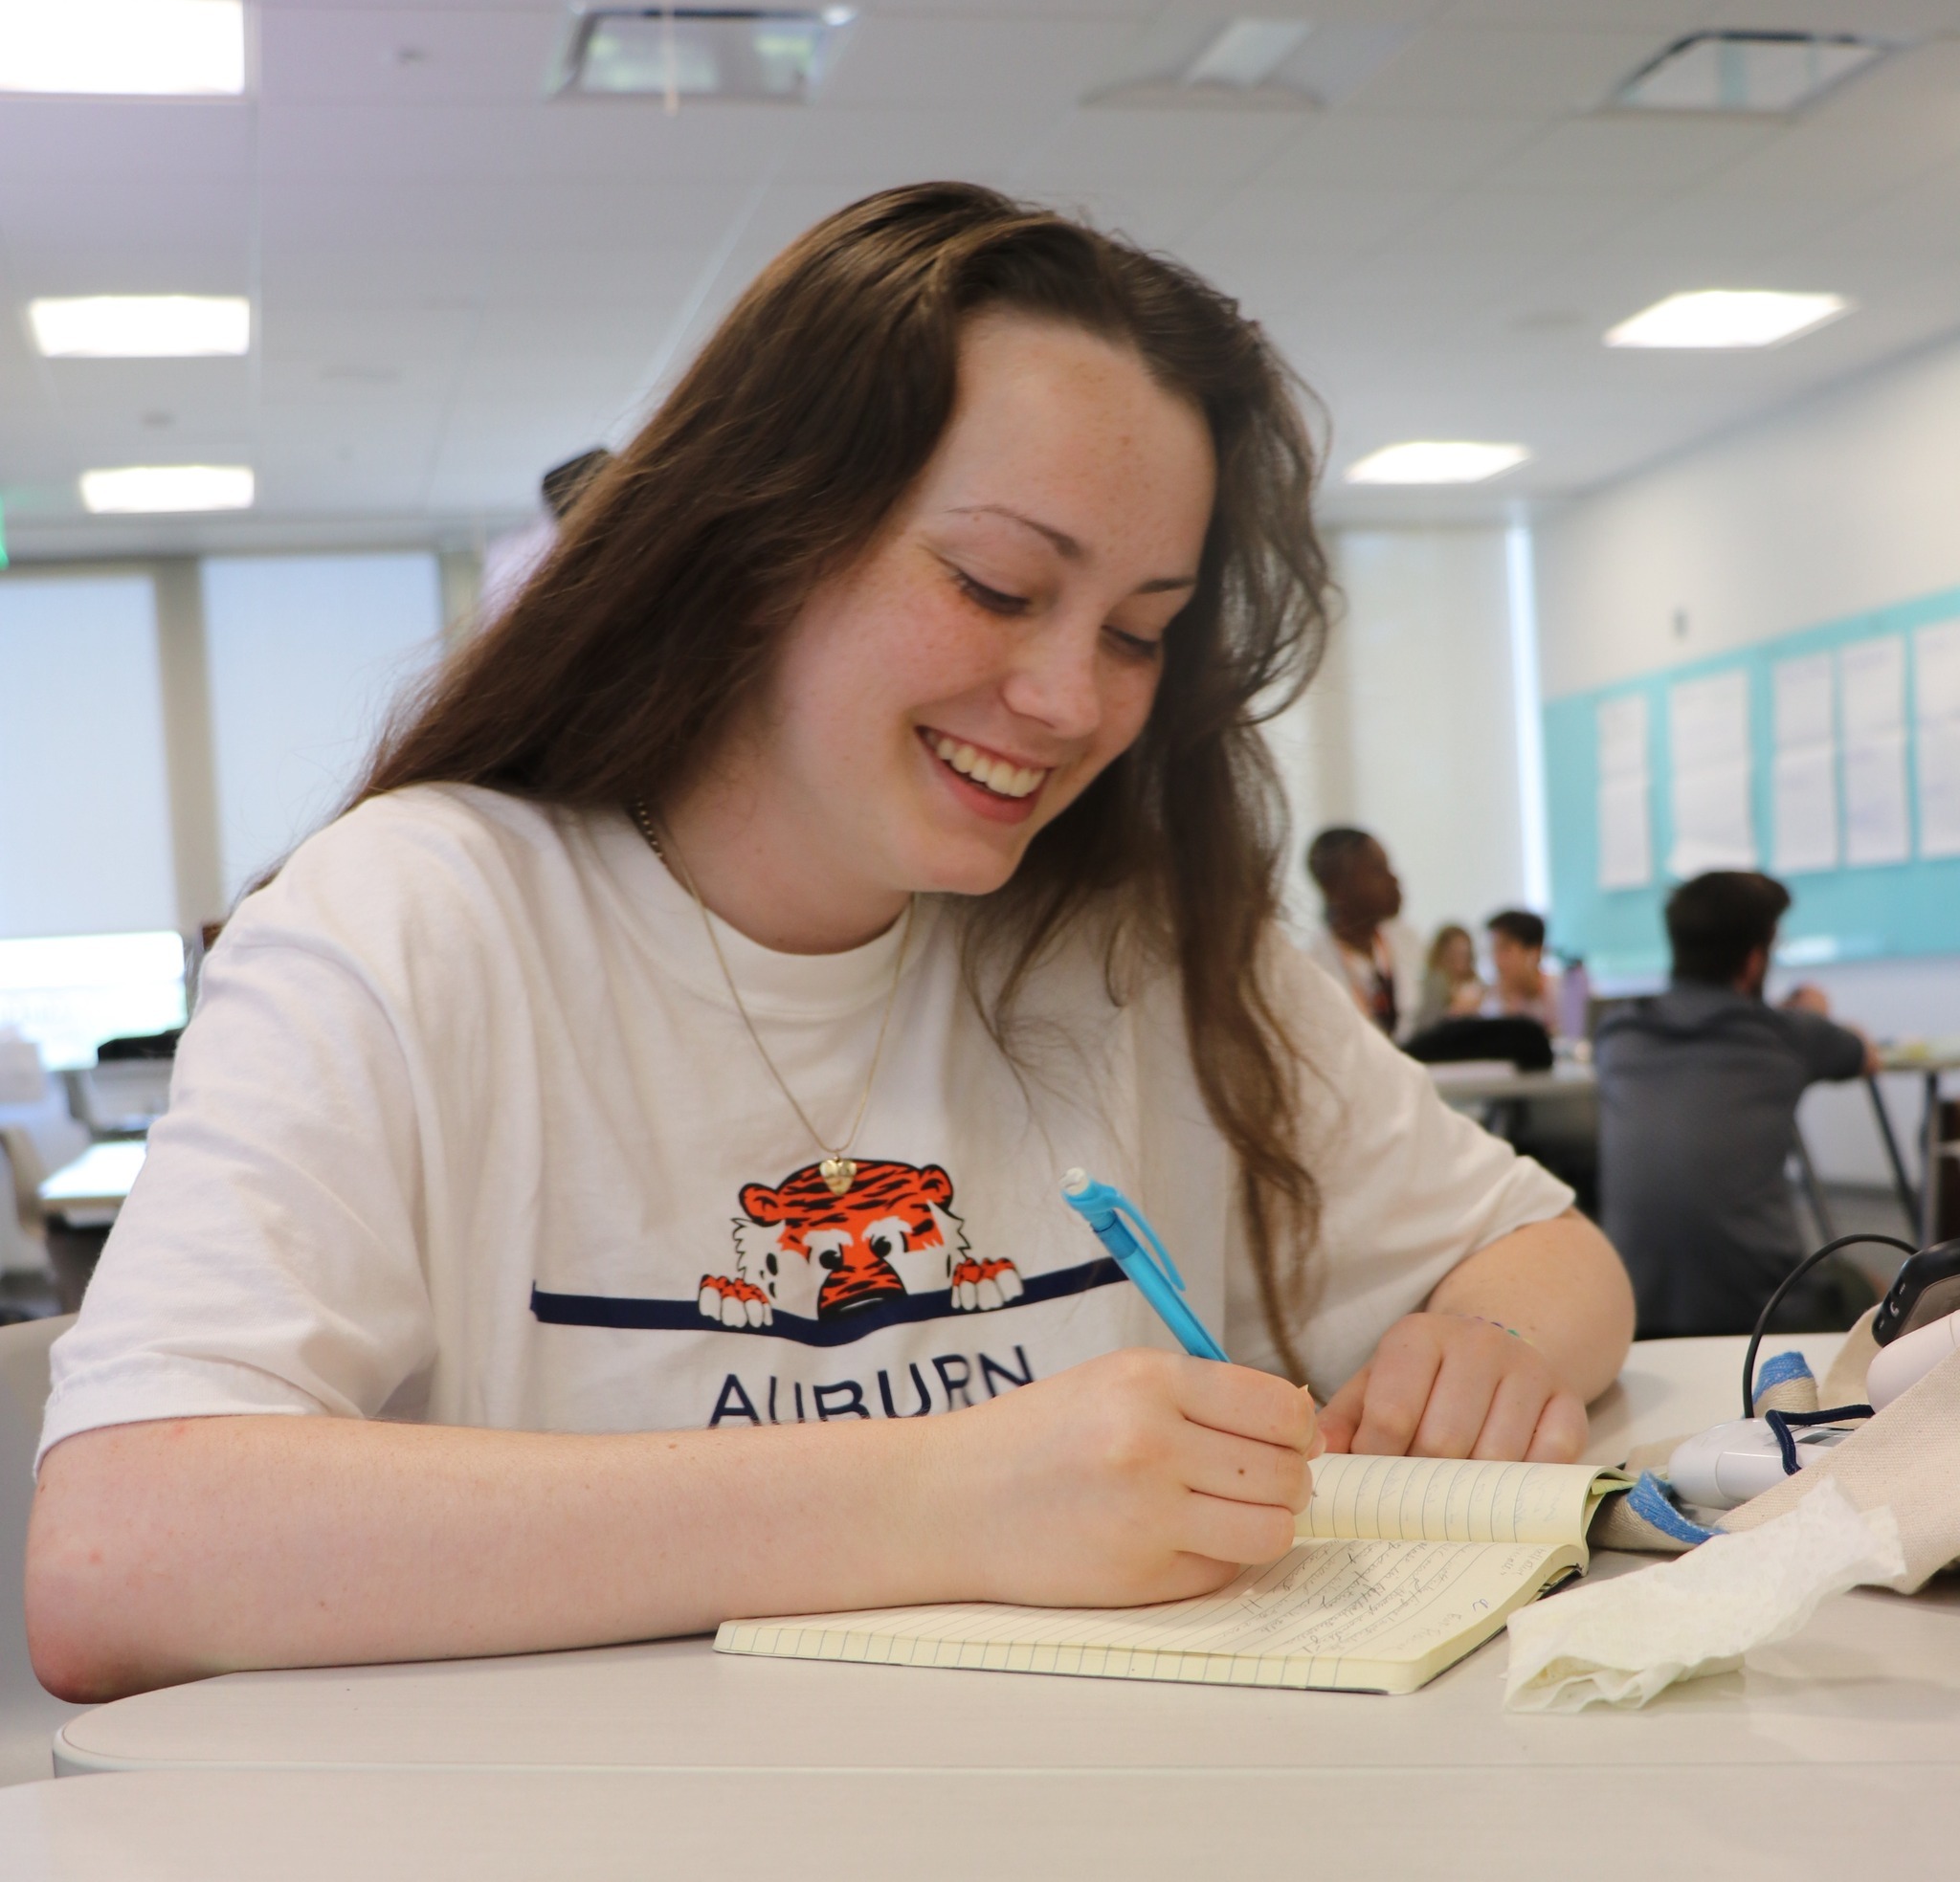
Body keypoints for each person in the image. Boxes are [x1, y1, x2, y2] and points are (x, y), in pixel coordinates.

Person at [27, 184, 1633, 1703]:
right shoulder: (419, 918)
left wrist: (1479, 1347)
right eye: (997, 585)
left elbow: (1549, 1258)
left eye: (1137, 632)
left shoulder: (1117, 934)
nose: (1072, 702)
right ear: (759, 538)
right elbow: (116, 1555)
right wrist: (941, 1495)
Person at [1596, 870, 1879, 1339]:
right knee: (1870, 1286)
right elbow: (1866, 1055)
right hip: (1763, 1315)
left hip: (1631, 1310)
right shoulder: (1786, 1034)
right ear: (1753, 961)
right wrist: (1812, 1017)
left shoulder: (1617, 1034)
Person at [1303, 829, 1425, 1041]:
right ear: (1335, 886)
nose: (1393, 880)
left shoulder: (1409, 942)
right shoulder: (1312, 969)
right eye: (1378, 870)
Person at [1483, 909, 1560, 1035]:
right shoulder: (1491, 1000)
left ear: (1535, 952)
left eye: (1505, 948)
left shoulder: (1560, 991)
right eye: (1494, 949)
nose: (1496, 960)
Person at [1414, 923, 1484, 1033]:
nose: (1460, 961)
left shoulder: (1477, 984)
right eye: (1455, 954)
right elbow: (1427, 1025)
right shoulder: (1434, 982)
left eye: (1465, 954)